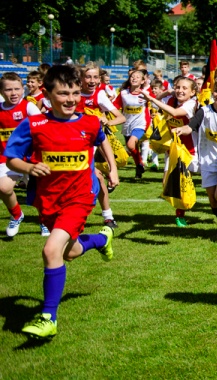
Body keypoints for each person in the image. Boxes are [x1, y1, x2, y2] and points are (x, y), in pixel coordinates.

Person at [8, 65, 119, 340]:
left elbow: (103, 141)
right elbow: (12, 158)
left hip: (79, 198)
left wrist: (112, 168)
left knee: (50, 250)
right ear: (47, 94)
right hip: (47, 200)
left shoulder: (90, 122)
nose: (71, 99)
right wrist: (29, 168)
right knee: (68, 252)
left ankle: (48, 317)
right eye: (63, 94)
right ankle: (101, 240)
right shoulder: (34, 125)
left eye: (75, 93)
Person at [170, 76, 217, 236]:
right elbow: (190, 126)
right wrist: (181, 130)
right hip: (207, 162)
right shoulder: (204, 111)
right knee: (213, 200)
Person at [144, 76, 199, 227]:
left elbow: (175, 112)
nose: (180, 90)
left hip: (193, 150)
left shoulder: (191, 104)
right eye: (177, 87)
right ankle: (179, 215)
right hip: (174, 149)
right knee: (170, 183)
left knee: (212, 187)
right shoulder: (170, 99)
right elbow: (156, 103)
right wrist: (162, 94)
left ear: (193, 92)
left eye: (184, 88)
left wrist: (152, 99)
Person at [79, 65, 125, 229]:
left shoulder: (99, 95)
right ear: (81, 78)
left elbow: (120, 117)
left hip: (89, 144)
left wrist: (107, 121)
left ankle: (108, 216)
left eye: (95, 77)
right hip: (71, 143)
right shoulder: (72, 94)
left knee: (96, 177)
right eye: (88, 77)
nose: (92, 81)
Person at [0, 72, 44, 237]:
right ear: (1, 91)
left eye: (17, 89)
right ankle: (17, 215)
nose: (13, 93)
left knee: (40, 192)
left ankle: (44, 221)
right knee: (3, 188)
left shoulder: (28, 107)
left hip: (30, 157)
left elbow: (43, 129)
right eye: (9, 89)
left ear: (23, 89)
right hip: (8, 158)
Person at [119, 69, 151, 179]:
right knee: (133, 148)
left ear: (143, 81)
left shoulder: (146, 93)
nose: (134, 78)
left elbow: (157, 101)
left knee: (130, 145)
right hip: (127, 124)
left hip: (141, 124)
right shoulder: (123, 93)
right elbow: (114, 106)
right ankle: (139, 166)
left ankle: (140, 163)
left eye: (137, 77)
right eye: (132, 76)